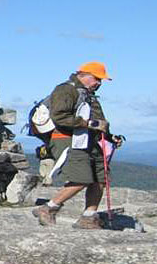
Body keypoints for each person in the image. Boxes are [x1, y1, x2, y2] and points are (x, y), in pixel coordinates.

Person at [36, 62, 122, 229]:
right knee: (81, 178)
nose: (99, 83)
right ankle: (48, 208)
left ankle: (88, 217)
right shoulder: (65, 90)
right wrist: (90, 123)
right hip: (67, 139)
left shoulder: (89, 95)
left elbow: (97, 123)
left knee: (101, 178)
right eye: (97, 79)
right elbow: (59, 117)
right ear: (84, 75)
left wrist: (110, 137)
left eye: (101, 80)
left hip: (89, 140)